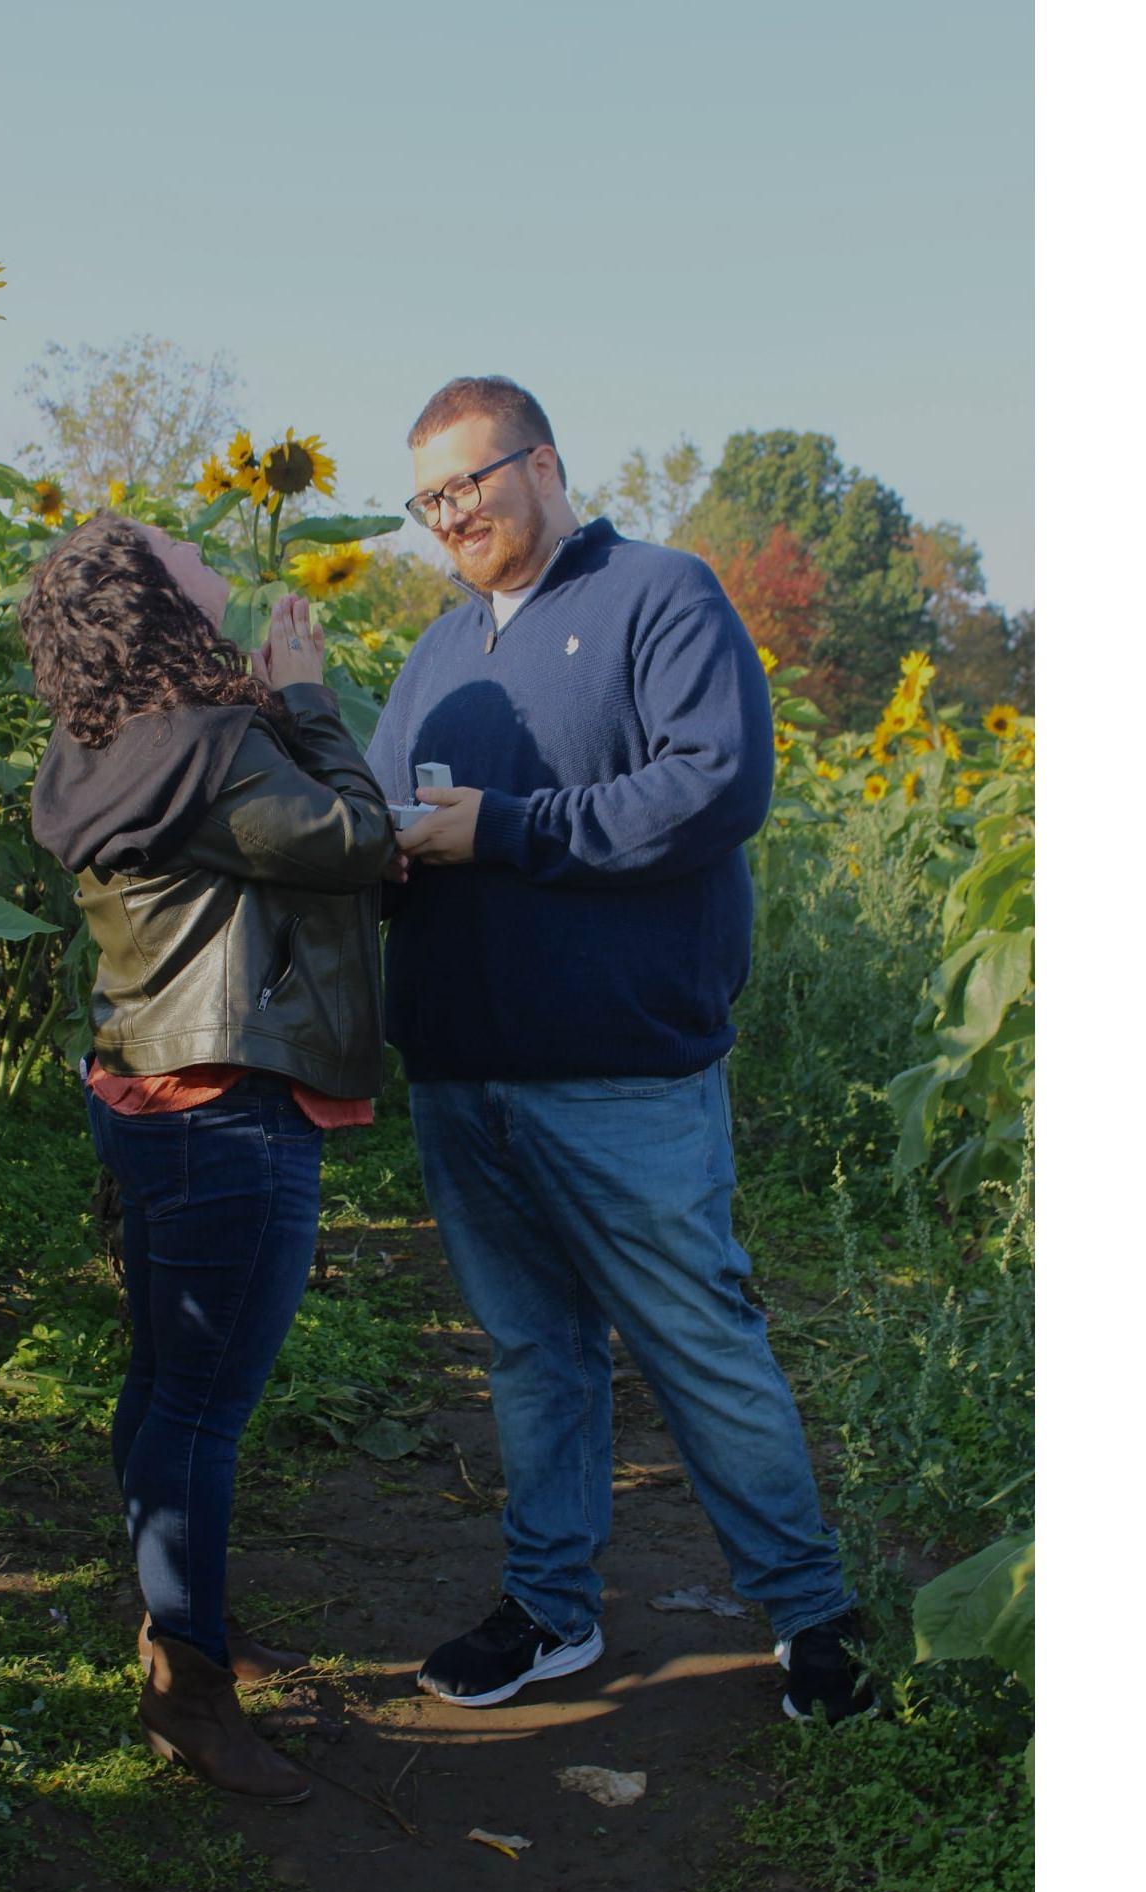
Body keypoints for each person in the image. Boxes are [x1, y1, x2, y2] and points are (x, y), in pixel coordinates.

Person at [365, 376, 874, 1724]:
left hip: (620, 1070)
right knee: (532, 1350)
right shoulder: (435, 655)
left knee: (696, 1340)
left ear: (541, 463)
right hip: (462, 1071)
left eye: (469, 484)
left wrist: (508, 830)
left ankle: (816, 1617)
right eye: (428, 501)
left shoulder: (660, 594)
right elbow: (378, 816)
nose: (449, 517)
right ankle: (551, 1608)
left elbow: (715, 785)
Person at [23, 512, 397, 1801]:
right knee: (201, 1409)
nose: (205, 557)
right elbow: (360, 842)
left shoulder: (105, 746)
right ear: (157, 597)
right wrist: (308, 696)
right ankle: (187, 1689)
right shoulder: (219, 747)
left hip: (146, 1092)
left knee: (166, 1388)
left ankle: (189, 1624)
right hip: (227, 1111)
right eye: (182, 552)